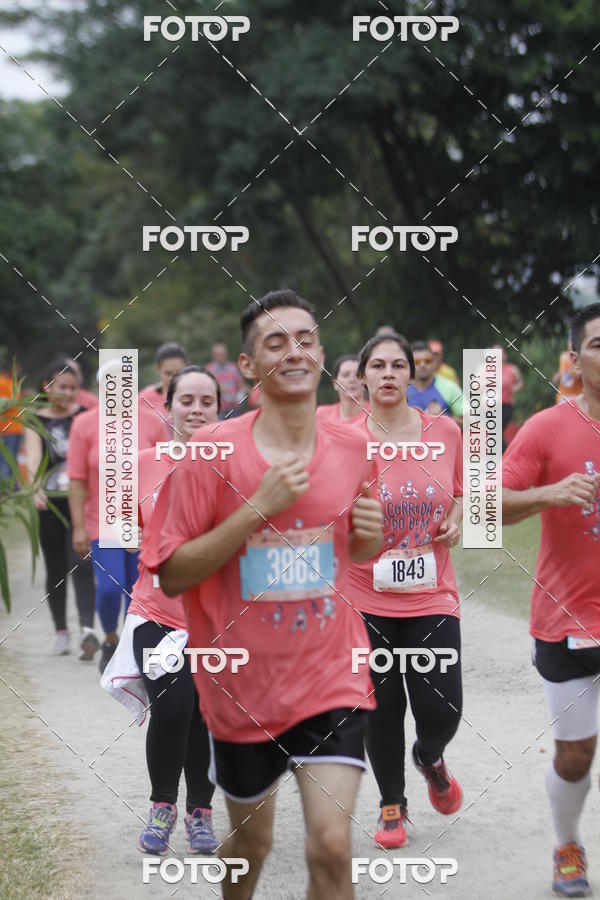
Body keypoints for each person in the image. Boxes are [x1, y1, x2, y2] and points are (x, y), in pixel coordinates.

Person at [141, 289, 384, 900]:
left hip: (334, 676)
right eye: (276, 342)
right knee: (251, 847)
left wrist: (368, 540)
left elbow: (352, 551)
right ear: (248, 366)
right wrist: (255, 510)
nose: (294, 351)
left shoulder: (354, 448)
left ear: (322, 354)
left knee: (330, 848)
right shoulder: (209, 453)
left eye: (305, 339)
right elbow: (172, 573)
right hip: (242, 687)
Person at [346, 332, 463, 849]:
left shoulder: (446, 431)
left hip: (431, 591)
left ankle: (430, 755)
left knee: (443, 709)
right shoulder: (345, 443)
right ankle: (392, 804)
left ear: (414, 374)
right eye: (378, 365)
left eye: (399, 365)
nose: (389, 373)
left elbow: (463, 493)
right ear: (364, 376)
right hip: (366, 595)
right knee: (382, 706)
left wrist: (458, 519)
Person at [502, 303, 600, 898]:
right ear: (576, 358)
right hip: (569, 621)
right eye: (599, 343)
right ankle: (567, 842)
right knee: (575, 757)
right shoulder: (545, 427)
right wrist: (552, 492)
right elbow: (489, 510)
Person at [103, 365, 221, 855]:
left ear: (219, 408)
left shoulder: (233, 465)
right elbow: (118, 536)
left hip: (218, 620)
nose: (196, 409)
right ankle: (162, 806)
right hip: (156, 613)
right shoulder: (141, 463)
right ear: (167, 405)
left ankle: (200, 812)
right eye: (186, 400)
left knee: (206, 717)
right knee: (172, 709)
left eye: (206, 402)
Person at [67, 363, 140, 674]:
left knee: (137, 592)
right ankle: (109, 638)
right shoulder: (84, 425)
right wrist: (79, 526)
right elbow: (76, 479)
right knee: (111, 588)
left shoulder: (149, 423)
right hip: (102, 522)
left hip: (142, 525)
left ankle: (131, 649)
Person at [23, 358, 98, 658]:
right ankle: (61, 632)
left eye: (72, 388)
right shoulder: (36, 420)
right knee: (56, 568)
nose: (67, 393)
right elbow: (32, 462)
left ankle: (87, 632)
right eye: (61, 387)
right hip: (51, 505)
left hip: (81, 502)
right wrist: (35, 489)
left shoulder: (84, 416)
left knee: (82, 563)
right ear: (48, 386)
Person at [139, 343, 189, 439]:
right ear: (158, 369)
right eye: (168, 373)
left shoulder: (199, 397)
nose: (174, 378)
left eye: (179, 372)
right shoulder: (144, 399)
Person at [407, 341, 463, 419]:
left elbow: (470, 421)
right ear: (410, 365)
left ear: (434, 363)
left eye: (427, 361)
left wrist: (443, 416)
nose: (422, 365)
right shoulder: (401, 389)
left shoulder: (450, 388)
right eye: (416, 362)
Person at [316, 354, 368, 424]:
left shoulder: (377, 415)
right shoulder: (321, 415)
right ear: (335, 384)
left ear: (365, 381)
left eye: (358, 375)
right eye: (345, 375)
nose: (352, 380)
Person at [206, 341, 247, 419]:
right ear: (214, 355)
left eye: (223, 354)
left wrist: (242, 393)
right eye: (219, 354)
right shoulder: (209, 369)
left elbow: (241, 385)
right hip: (218, 410)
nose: (221, 356)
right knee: (219, 430)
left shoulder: (232, 367)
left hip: (234, 408)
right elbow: (206, 388)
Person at [494, 345, 524, 450]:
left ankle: (505, 455)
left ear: (504, 355)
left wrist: (515, 388)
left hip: (506, 406)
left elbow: (520, 382)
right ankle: (502, 457)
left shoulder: (512, 369)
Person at [0, 363, 24, 485]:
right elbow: (6, 403)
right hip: (6, 428)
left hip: (17, 428)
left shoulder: (13, 382)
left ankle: (12, 489)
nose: (18, 371)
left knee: (13, 461)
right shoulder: (2, 382)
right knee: (5, 461)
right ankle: (4, 490)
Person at [553, 338, 582, 405]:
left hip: (575, 395)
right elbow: (561, 373)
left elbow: (581, 375)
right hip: (562, 396)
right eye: (570, 342)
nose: (570, 344)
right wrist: (558, 376)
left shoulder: (579, 357)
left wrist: (571, 372)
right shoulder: (563, 356)